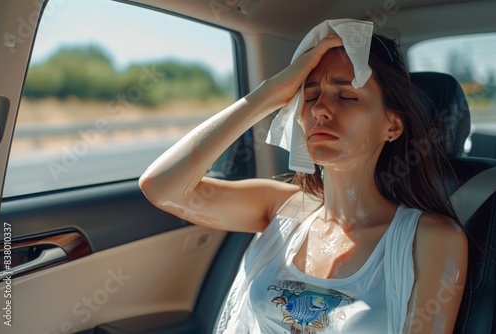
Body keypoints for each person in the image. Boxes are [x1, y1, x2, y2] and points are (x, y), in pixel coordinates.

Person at [139, 25, 468, 333]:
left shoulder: (431, 239)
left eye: (347, 96)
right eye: (309, 97)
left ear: (392, 126)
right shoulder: (281, 208)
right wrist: (270, 94)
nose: (320, 110)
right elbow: (162, 186)